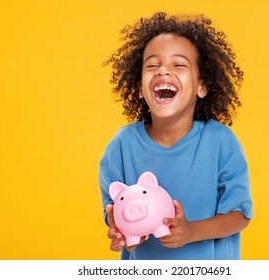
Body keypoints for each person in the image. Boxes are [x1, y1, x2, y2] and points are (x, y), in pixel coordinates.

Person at [99, 12, 253, 260]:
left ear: (201, 86)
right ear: (139, 87)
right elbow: (112, 208)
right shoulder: (122, 145)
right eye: (152, 65)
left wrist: (191, 231)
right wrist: (116, 225)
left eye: (179, 64)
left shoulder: (220, 141)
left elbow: (240, 215)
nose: (163, 71)